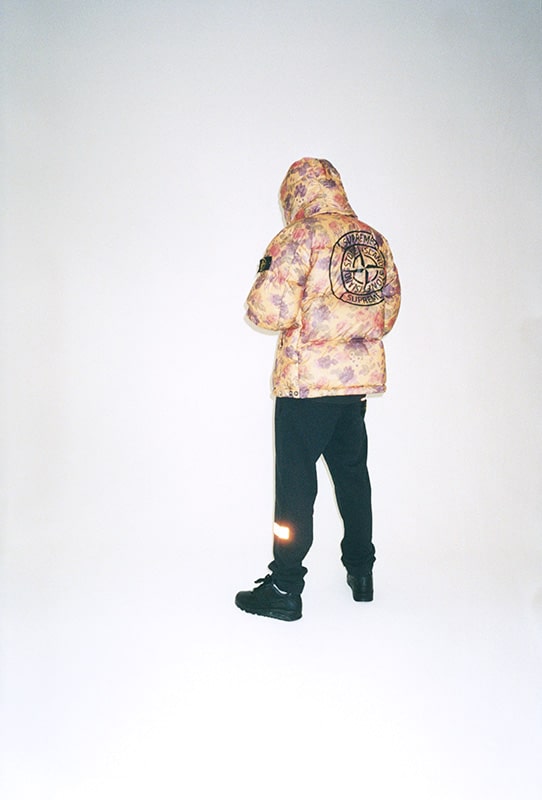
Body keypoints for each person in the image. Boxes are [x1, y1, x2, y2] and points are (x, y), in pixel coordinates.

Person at [235, 157, 401, 621]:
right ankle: (362, 573)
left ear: (295, 193)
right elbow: (387, 314)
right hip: (353, 387)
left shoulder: (298, 238)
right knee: (353, 478)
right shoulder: (373, 239)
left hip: (305, 386)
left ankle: (285, 586)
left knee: (295, 487)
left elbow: (267, 311)